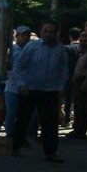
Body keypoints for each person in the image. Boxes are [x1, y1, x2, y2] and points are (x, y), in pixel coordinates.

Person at [12, 21, 68, 163]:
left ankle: (50, 153)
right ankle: (14, 147)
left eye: (51, 32)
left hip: (49, 91)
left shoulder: (60, 50)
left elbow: (63, 71)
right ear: (41, 32)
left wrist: (60, 89)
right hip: (30, 89)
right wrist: (21, 84)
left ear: (56, 33)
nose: (48, 34)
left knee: (49, 123)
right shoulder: (32, 47)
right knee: (23, 119)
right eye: (46, 31)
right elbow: (19, 67)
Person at [4, 25, 32, 152]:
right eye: (23, 35)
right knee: (11, 114)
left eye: (27, 35)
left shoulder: (31, 50)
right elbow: (13, 70)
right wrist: (20, 84)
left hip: (27, 87)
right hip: (12, 87)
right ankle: (10, 137)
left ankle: (21, 137)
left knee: (24, 115)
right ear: (17, 37)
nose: (25, 37)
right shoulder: (13, 51)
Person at [67, 32, 87, 139]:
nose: (83, 42)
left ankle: (80, 130)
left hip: (84, 83)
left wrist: (85, 84)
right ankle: (77, 129)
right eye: (81, 40)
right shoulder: (82, 52)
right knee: (77, 107)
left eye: (85, 41)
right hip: (78, 83)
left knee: (83, 108)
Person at [63, 27, 82, 126]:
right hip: (81, 78)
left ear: (70, 37)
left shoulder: (67, 48)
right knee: (78, 100)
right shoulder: (84, 48)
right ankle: (77, 121)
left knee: (68, 99)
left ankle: (67, 119)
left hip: (69, 77)